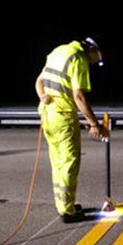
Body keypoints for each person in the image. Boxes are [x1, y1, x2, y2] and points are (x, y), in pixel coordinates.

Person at [35, 37, 109, 223]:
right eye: (95, 58)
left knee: (58, 161)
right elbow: (78, 95)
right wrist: (94, 124)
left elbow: (39, 81)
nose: (93, 63)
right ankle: (68, 212)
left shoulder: (58, 50)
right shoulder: (78, 58)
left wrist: (42, 95)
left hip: (47, 115)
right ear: (90, 49)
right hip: (63, 117)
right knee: (69, 162)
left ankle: (63, 205)